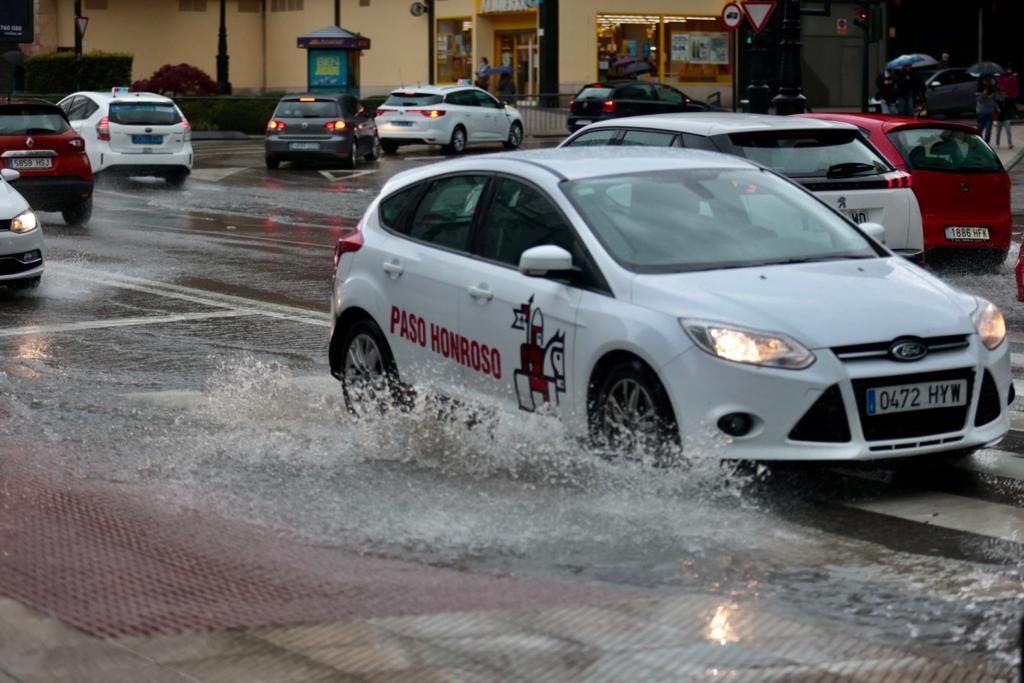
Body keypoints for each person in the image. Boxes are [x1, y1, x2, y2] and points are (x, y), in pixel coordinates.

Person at [976, 74, 996, 143]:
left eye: (989, 80)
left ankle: (986, 143)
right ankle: (979, 142)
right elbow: (979, 100)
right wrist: (983, 95)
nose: (987, 82)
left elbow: (994, 101)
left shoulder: (992, 88)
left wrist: (992, 97)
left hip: (989, 112)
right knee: (980, 129)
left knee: (988, 130)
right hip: (981, 112)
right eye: (986, 80)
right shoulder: (980, 88)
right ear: (983, 81)